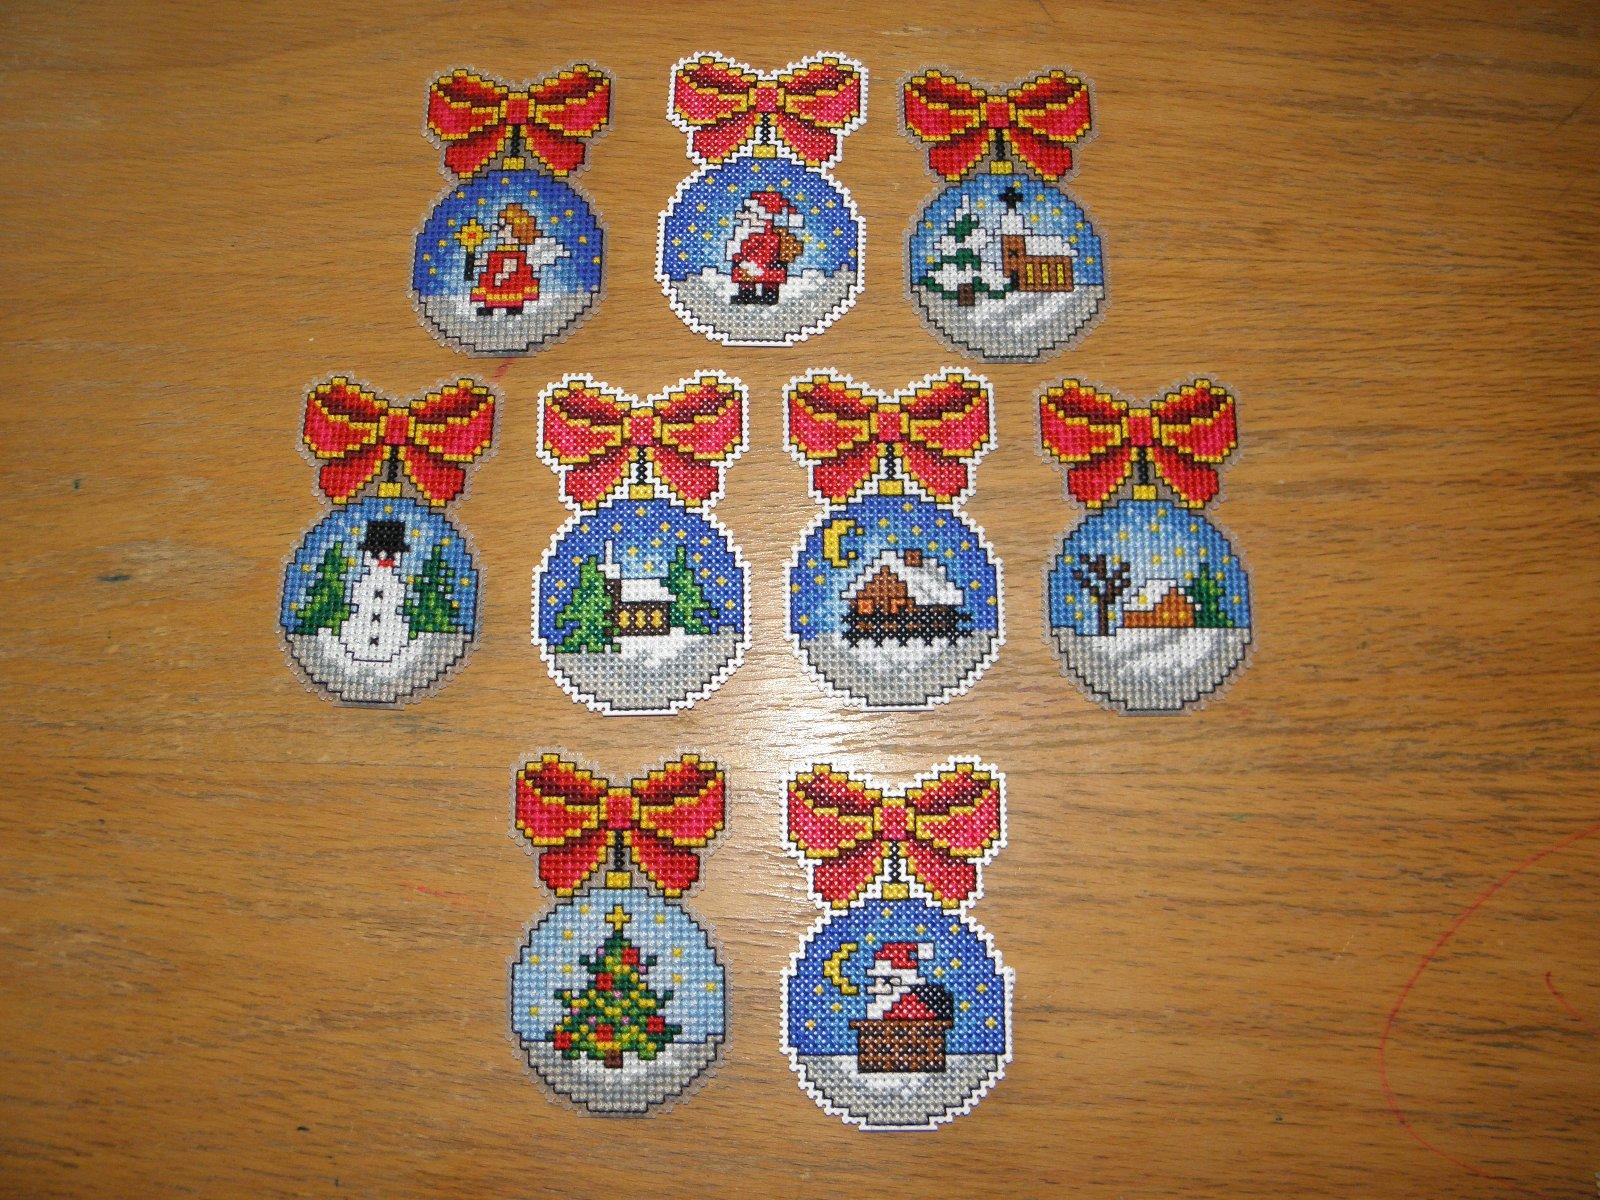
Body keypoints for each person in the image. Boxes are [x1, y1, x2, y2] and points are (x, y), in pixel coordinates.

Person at [470, 203, 566, 317]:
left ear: (516, 229)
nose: (496, 228)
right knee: (492, 289)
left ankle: (512, 308)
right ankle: (492, 307)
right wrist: (473, 259)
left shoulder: (517, 254)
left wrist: (504, 274)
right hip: (497, 280)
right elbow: (488, 262)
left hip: (509, 281)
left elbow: (512, 265)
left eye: (502, 226)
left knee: (511, 292)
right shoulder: (498, 252)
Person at [726, 190, 804, 305]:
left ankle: (767, 294)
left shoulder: (776, 235)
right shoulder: (746, 232)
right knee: (747, 280)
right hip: (750, 264)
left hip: (768, 265)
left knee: (769, 283)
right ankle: (748, 294)